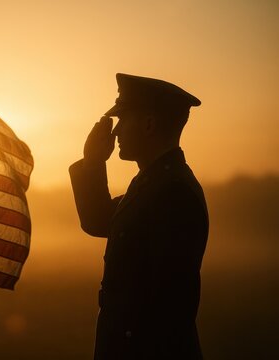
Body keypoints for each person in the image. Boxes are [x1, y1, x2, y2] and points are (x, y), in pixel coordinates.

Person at [69, 73, 209, 359]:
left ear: (148, 124)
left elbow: (170, 312)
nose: (116, 131)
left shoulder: (173, 193)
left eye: (123, 120)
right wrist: (93, 163)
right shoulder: (155, 182)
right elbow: (98, 220)